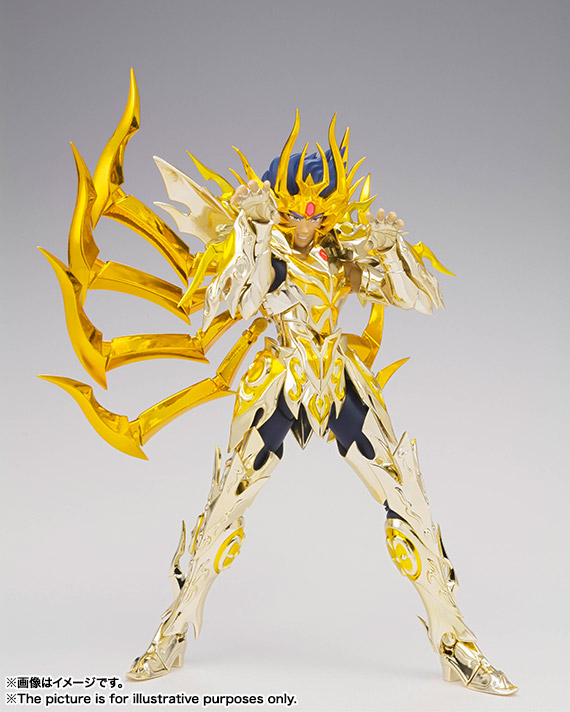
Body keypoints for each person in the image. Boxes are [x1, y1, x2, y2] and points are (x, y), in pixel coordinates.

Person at [41, 74, 516, 696]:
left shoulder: (342, 254)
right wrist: (254, 232)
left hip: (339, 382)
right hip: (279, 382)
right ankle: (173, 633)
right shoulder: (262, 249)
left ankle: (457, 646)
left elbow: (421, 299)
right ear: (277, 203)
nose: (308, 219)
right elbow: (231, 300)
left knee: (411, 505)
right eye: (296, 209)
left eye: (317, 210)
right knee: (223, 509)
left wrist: (391, 251)